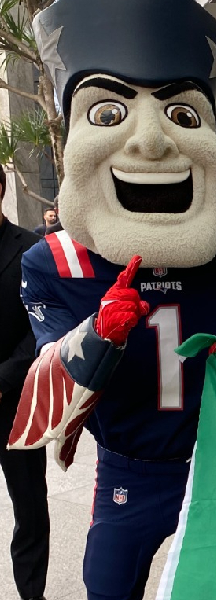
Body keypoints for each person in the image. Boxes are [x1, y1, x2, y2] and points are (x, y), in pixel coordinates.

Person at [7, 1, 216, 599]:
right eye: (109, 112)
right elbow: (47, 397)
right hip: (129, 467)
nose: (151, 142)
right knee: (108, 587)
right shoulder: (55, 262)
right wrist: (97, 334)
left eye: (182, 113)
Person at [0, 169, 49, 600]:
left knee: (30, 506)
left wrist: (4, 378)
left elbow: (41, 324)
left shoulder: (31, 250)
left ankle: (31, 593)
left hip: (16, 403)